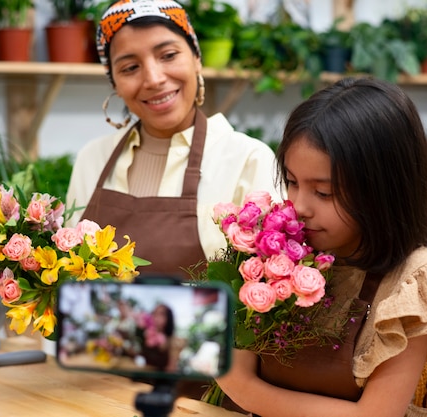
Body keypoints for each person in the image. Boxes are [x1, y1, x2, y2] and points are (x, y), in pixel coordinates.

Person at [216, 77, 427, 417]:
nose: (299, 206)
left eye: (324, 192)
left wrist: (240, 385)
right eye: (291, 181)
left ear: (384, 190)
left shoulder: (413, 283)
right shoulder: (277, 250)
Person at [65, 0, 279, 278]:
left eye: (168, 55)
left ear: (196, 59)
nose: (153, 78)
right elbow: (68, 275)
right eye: (130, 67)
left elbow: (271, 287)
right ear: (114, 83)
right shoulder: (92, 159)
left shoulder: (248, 159)